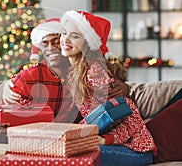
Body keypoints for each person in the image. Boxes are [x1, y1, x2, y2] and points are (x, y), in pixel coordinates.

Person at [0, 18, 131, 149]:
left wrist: (126, 88)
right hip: (24, 139)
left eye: (56, 42)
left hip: (62, 141)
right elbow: (1, 112)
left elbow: (115, 96)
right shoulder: (28, 77)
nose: (50, 48)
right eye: (45, 43)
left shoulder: (84, 74)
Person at [60, 10, 156, 166]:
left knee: (73, 154)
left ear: (87, 42)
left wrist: (105, 139)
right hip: (115, 146)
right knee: (64, 149)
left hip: (136, 151)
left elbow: (132, 118)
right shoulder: (75, 74)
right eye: (64, 33)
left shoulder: (94, 72)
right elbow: (96, 117)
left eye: (75, 36)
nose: (65, 39)